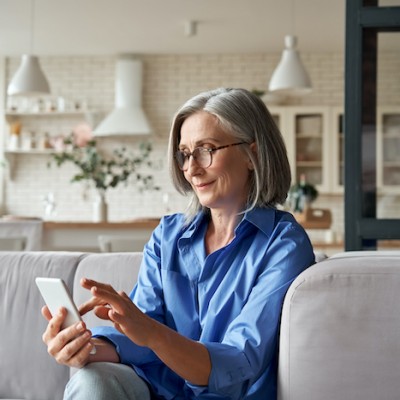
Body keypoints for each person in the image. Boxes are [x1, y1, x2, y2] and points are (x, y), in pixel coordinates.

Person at [41, 87, 315, 400]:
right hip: (158, 392)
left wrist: (149, 332)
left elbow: (239, 363)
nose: (191, 168)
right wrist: (84, 347)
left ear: (252, 154)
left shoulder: (282, 245)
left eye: (206, 149)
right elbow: (141, 339)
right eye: (185, 154)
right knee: (92, 379)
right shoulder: (168, 235)